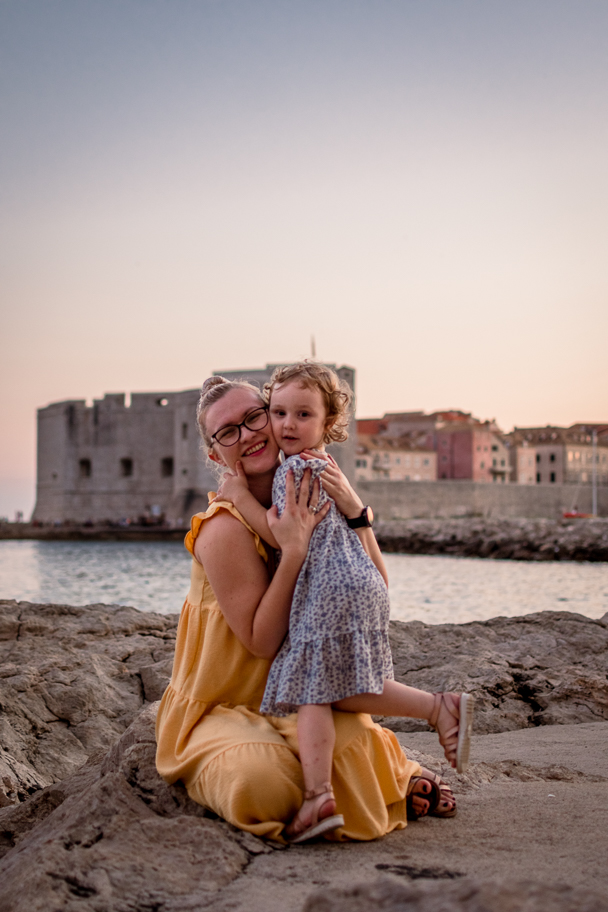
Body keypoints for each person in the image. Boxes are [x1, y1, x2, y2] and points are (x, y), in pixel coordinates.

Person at [155, 375, 467, 844]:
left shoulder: (308, 484)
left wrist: (358, 513)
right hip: (222, 704)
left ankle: (392, 769)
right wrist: (294, 552)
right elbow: (260, 642)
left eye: (254, 416)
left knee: (346, 745)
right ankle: (383, 776)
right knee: (263, 784)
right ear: (216, 454)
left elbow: (376, 580)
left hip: (294, 688)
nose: (249, 433)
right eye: (227, 432)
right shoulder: (224, 527)